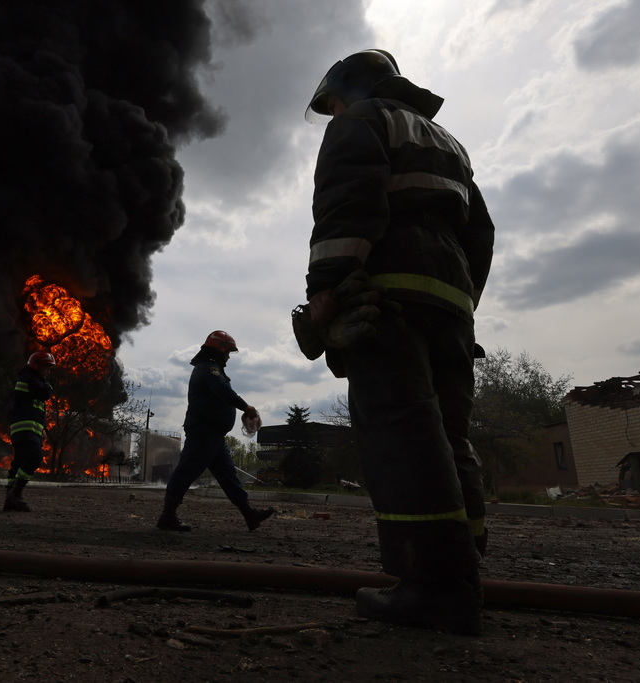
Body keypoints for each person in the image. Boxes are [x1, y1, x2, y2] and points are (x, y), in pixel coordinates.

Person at [302, 49, 495, 635]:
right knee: (449, 436)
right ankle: (465, 570)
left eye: (331, 103)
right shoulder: (449, 143)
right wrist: (460, 306)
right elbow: (480, 233)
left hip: (387, 298)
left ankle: (434, 588)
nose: (331, 113)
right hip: (451, 303)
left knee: (401, 434)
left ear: (347, 90)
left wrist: (326, 294)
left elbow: (348, 204)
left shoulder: (361, 122)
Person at [156, 330, 274, 532]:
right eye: (228, 352)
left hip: (214, 436)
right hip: (204, 432)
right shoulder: (209, 369)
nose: (228, 356)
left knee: (229, 477)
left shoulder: (210, 368)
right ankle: (167, 517)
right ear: (220, 350)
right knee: (186, 472)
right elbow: (223, 391)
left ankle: (249, 515)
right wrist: (246, 407)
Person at [3, 351, 56, 512]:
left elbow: (35, 409)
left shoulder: (30, 379)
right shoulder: (30, 379)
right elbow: (45, 393)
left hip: (27, 428)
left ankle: (10, 500)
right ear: (36, 365)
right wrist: (47, 384)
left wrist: (42, 429)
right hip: (26, 428)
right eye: (47, 367)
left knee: (19, 462)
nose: (49, 371)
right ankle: (15, 494)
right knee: (35, 456)